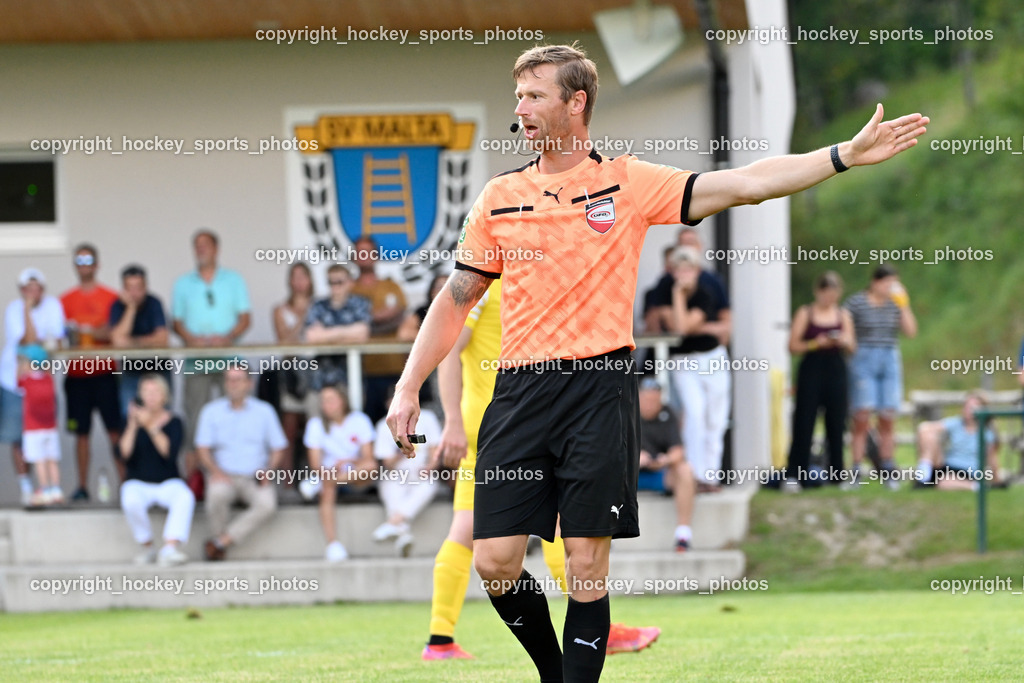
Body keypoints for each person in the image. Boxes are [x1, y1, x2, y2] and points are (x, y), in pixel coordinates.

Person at [387, 43, 927, 682]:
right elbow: (454, 303)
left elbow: (745, 184)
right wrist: (408, 385)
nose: (521, 108)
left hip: (599, 389)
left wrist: (840, 156)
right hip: (519, 390)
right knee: (495, 562)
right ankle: (555, 671)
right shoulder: (498, 199)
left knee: (586, 565)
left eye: (535, 95)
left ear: (575, 102)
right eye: (518, 96)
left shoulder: (628, 181)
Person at [422, 279, 657, 661]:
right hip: (508, 425)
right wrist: (450, 420)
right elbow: (449, 346)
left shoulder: (518, 278)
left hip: (503, 422)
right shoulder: (491, 282)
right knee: (563, 525)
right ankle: (595, 622)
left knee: (469, 531)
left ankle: (440, 637)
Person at [172, 229, 252, 477]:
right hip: (197, 364)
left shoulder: (234, 279)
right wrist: (192, 340)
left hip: (230, 362)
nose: (201, 249)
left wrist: (226, 338)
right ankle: (195, 483)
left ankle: (237, 476)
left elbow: (245, 317)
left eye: (205, 245)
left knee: (236, 417)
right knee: (195, 421)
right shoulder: (183, 283)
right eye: (196, 245)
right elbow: (176, 322)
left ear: (216, 248)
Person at [195, 368, 287, 561]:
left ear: (249, 383)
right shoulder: (211, 411)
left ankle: (221, 542)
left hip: (254, 476)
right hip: (223, 474)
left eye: (238, 380)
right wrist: (215, 472)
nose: (233, 384)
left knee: (267, 504)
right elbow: (202, 449)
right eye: (229, 380)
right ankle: (219, 544)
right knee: (216, 495)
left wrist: (268, 471)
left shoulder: (264, 411)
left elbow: (279, 447)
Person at [663, 246, 731, 491]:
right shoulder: (666, 291)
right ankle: (693, 475)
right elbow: (680, 329)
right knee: (694, 414)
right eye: (679, 269)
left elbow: (693, 325)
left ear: (697, 270)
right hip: (683, 361)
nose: (684, 274)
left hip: (711, 357)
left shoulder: (706, 292)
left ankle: (710, 476)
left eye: (689, 268)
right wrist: (678, 296)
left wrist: (702, 327)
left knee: (716, 417)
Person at [845, 264, 917, 488]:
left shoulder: (895, 303)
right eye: (887, 283)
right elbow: (845, 324)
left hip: (889, 358)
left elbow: (911, 331)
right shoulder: (857, 302)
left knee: (887, 417)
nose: (890, 287)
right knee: (862, 415)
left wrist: (904, 305)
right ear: (875, 282)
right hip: (864, 358)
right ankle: (856, 468)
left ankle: (888, 469)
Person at [60, 244, 122, 500]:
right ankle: (82, 487)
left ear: (97, 264)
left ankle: (126, 483)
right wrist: (91, 331)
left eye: (88, 259)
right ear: (75, 265)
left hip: (105, 374)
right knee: (81, 434)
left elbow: (114, 333)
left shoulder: (111, 297)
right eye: (79, 259)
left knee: (115, 432)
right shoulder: (64, 300)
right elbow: (61, 337)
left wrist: (86, 331)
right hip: (76, 377)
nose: (84, 263)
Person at [785, 271, 856, 488]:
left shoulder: (843, 314)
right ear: (818, 292)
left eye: (833, 294)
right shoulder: (806, 313)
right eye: (826, 294)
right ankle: (795, 473)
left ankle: (836, 474)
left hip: (836, 368)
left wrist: (843, 341)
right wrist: (816, 343)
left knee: (836, 422)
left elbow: (853, 347)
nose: (829, 299)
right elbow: (792, 346)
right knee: (804, 422)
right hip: (812, 368)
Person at [2, 268, 65, 507]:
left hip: (43, 383)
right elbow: (28, 339)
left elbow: (56, 341)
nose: (32, 293)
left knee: (45, 437)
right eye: (27, 289)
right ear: (21, 291)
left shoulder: (53, 305)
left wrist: (40, 342)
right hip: (14, 382)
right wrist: (27, 309)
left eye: (36, 288)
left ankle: (50, 487)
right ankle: (27, 488)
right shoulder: (13, 309)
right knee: (18, 438)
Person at [118, 373, 194, 566]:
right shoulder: (131, 421)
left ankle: (170, 548)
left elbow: (169, 452)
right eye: (146, 391)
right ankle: (148, 547)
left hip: (167, 482)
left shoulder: (175, 422)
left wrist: (151, 426)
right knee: (129, 498)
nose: (150, 396)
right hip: (138, 482)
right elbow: (123, 454)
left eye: (155, 392)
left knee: (185, 496)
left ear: (164, 396)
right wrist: (133, 426)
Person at [302, 384, 377, 562]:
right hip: (329, 475)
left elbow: (368, 460)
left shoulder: (359, 420)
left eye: (330, 400)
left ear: (342, 401)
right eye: (323, 401)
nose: (326, 405)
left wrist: (348, 462)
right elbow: (315, 465)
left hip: (354, 476)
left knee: (369, 468)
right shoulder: (316, 424)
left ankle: (326, 482)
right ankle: (333, 544)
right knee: (327, 488)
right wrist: (329, 472)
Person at [372, 397, 443, 557]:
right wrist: (401, 447)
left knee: (429, 485)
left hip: (422, 474)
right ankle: (402, 534)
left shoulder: (428, 417)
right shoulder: (383, 425)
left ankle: (392, 524)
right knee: (389, 486)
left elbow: (435, 452)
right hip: (397, 475)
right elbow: (387, 463)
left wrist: (430, 467)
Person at [351, 235, 411, 422]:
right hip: (362, 371)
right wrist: (383, 317)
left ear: (376, 255)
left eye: (368, 251)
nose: (364, 256)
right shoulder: (350, 289)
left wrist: (368, 322)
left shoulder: (391, 286)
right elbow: (351, 324)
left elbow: (401, 316)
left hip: (395, 367)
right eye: (360, 252)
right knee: (367, 423)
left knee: (398, 423)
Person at [637, 377, 695, 552]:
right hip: (628, 476)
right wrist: (634, 457)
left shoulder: (668, 413)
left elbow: (678, 450)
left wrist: (665, 460)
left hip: (659, 474)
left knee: (685, 470)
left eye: (655, 401)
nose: (650, 405)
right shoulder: (624, 413)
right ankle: (608, 535)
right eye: (646, 400)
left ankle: (683, 534)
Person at [109, 264, 170, 419]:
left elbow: (162, 339)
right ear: (123, 289)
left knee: (162, 417)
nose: (134, 292)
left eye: (138, 287)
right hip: (131, 371)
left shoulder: (154, 302)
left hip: (158, 368)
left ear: (146, 286)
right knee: (129, 415)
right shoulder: (117, 306)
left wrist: (131, 342)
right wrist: (131, 308)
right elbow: (117, 342)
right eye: (130, 288)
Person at [272, 262, 315, 477]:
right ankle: (287, 480)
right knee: (289, 426)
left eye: (303, 276)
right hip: (291, 371)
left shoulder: (320, 305)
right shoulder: (280, 310)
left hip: (315, 372)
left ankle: (313, 477)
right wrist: (303, 317)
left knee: (313, 427)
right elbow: (285, 343)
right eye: (295, 277)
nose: (299, 281)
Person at [304, 263, 371, 392]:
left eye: (339, 282)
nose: (334, 286)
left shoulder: (360, 303)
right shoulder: (318, 305)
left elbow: (363, 333)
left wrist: (325, 334)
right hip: (320, 378)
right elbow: (311, 337)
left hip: (351, 378)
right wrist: (348, 333)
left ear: (350, 283)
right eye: (330, 282)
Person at [915, 392, 1002, 490]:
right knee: (928, 434)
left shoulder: (986, 433)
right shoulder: (957, 423)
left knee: (945, 482)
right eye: (967, 407)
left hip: (968, 471)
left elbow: (992, 458)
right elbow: (924, 428)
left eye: (973, 407)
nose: (969, 410)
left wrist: (996, 480)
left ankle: (975, 486)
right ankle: (924, 472)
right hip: (947, 466)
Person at [18, 345, 62, 506]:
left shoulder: (26, 381)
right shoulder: (49, 379)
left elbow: (17, 379)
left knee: (40, 461)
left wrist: (23, 368)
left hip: (33, 429)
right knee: (52, 460)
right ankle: (56, 489)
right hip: (51, 428)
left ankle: (44, 489)